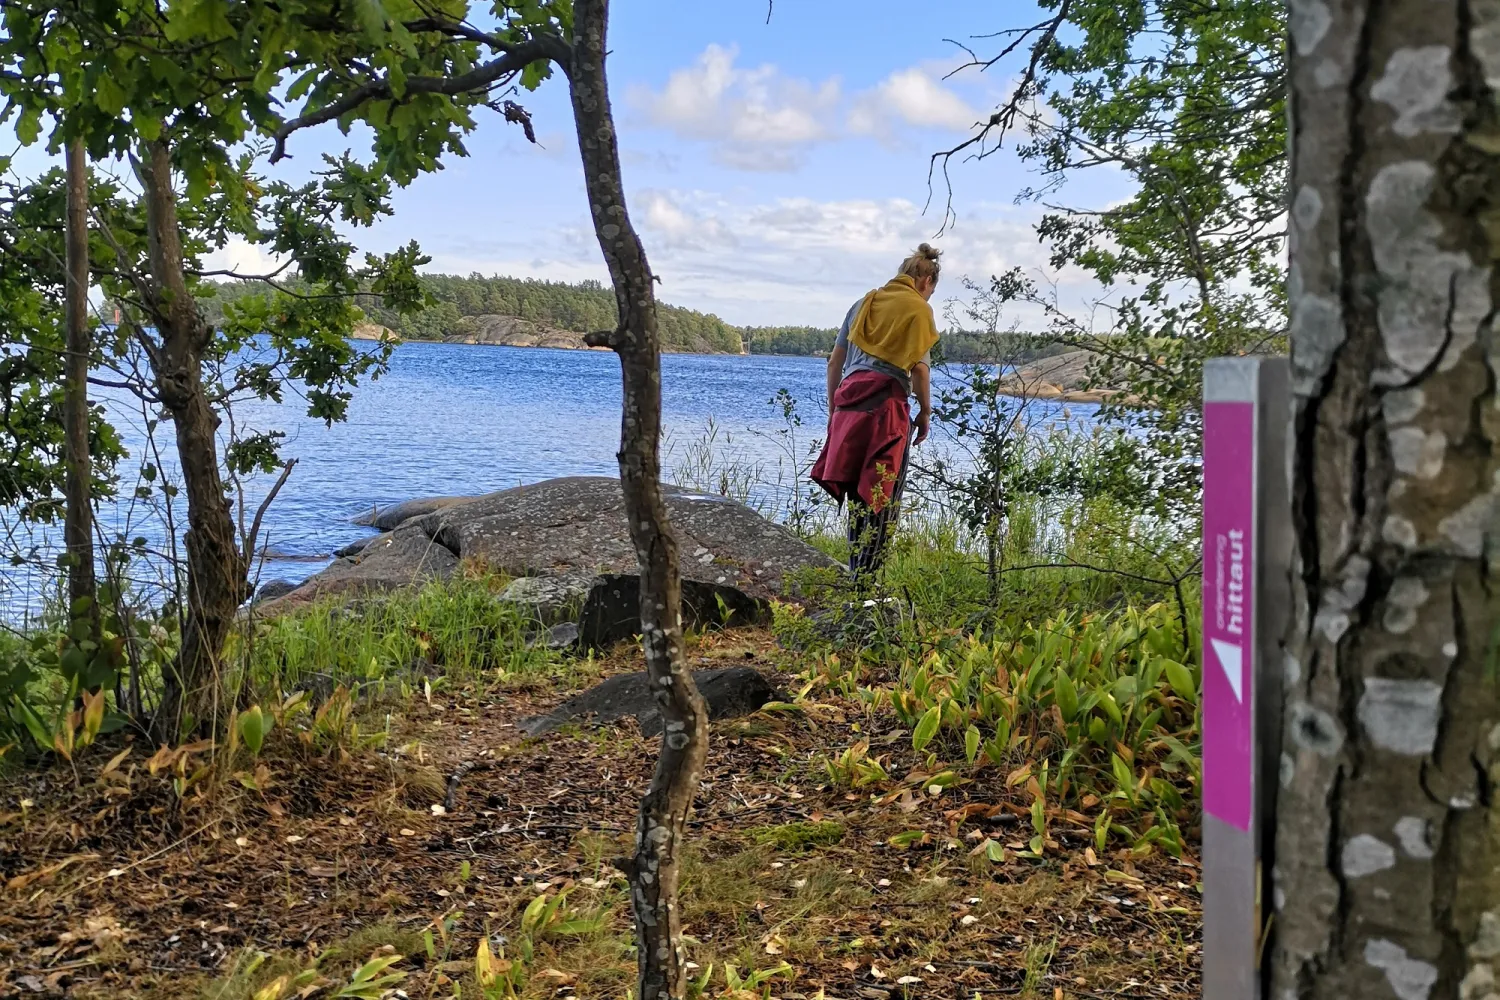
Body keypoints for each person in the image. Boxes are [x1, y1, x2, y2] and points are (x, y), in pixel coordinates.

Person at [811, 243, 941, 584]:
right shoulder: (917, 310)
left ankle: (856, 574)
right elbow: (921, 372)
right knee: (882, 498)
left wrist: (833, 409)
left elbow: (835, 362)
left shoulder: (863, 303)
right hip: (886, 415)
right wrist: (925, 412)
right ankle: (867, 587)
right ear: (926, 281)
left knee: (857, 496)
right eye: (931, 291)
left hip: (848, 412)